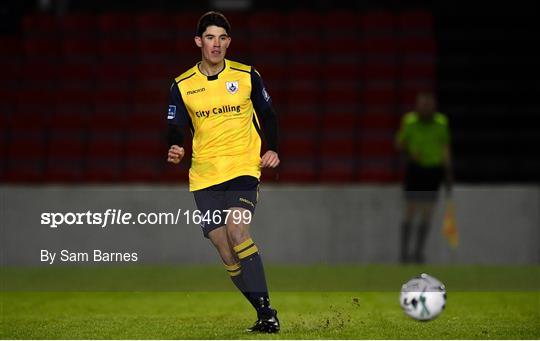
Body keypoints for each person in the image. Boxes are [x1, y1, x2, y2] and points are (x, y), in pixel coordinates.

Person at [166, 12, 280, 333]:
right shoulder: (182, 85)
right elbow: (175, 125)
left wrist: (271, 148)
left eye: (222, 38)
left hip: (243, 168)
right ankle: (261, 309)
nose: (216, 44)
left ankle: (266, 312)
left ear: (229, 42)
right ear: (199, 42)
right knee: (224, 248)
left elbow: (268, 114)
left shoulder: (247, 76)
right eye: (210, 38)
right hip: (204, 175)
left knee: (237, 231)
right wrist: (176, 146)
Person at [396, 92, 453, 263]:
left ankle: (418, 253)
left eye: (429, 104)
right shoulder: (409, 121)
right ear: (417, 105)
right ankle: (404, 254)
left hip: (433, 172)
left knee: (427, 213)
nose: (425, 107)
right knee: (410, 212)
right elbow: (399, 143)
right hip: (415, 171)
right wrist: (408, 154)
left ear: (434, 106)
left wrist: (448, 172)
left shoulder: (441, 123)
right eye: (422, 104)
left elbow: (445, 149)